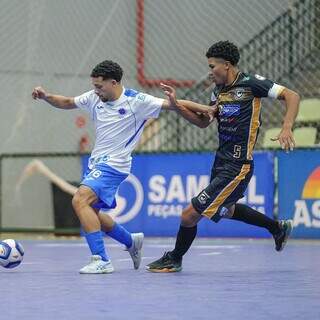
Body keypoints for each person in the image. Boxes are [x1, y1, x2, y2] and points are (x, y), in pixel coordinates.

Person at [32, 60, 214, 274]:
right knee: (90, 211)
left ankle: (101, 259)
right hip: (97, 164)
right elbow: (67, 102)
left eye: (100, 86)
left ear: (114, 82)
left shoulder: (136, 101)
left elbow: (173, 104)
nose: (96, 90)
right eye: (94, 86)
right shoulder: (94, 97)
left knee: (80, 199)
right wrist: (46, 97)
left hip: (115, 164)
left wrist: (207, 108)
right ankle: (130, 241)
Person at [146, 41, 300, 273]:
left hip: (239, 165)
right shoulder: (217, 91)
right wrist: (177, 106)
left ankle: (174, 258)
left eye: (212, 66)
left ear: (226, 65)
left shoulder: (251, 84)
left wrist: (287, 127)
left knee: (189, 215)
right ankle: (277, 228)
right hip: (221, 161)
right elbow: (203, 122)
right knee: (227, 209)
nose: (210, 71)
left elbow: (292, 95)